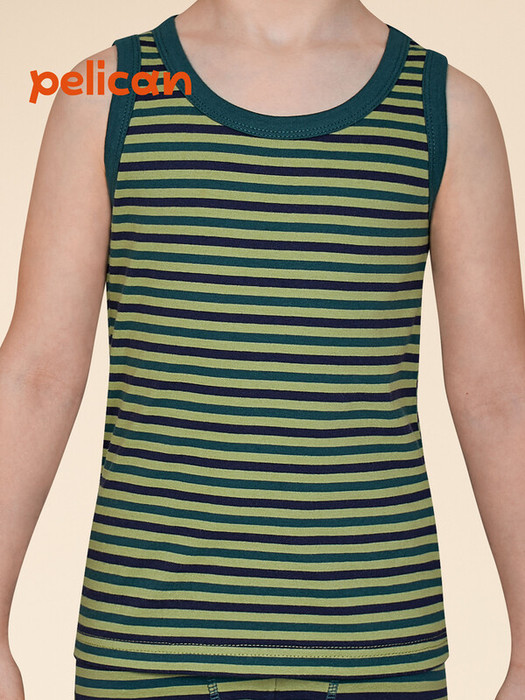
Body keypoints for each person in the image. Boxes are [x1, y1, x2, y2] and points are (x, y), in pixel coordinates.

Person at [1, 0, 525, 698]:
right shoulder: (106, 92)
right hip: (144, 651)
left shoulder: (445, 107)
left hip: (378, 652)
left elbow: (499, 395)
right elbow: (35, 376)